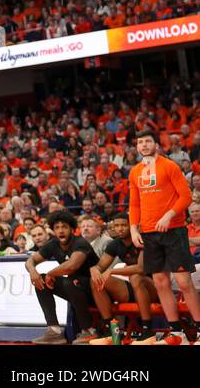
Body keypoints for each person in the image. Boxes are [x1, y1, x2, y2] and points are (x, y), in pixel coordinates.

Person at [128, 129, 199, 344]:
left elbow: (186, 196)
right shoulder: (135, 172)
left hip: (174, 231)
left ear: (156, 144)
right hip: (149, 233)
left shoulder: (169, 166)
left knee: (184, 282)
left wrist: (169, 215)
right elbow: (134, 203)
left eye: (148, 141)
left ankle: (198, 329)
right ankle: (176, 330)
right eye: (140, 142)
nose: (144, 145)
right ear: (137, 147)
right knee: (160, 282)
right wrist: (133, 229)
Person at [25, 210, 99, 344]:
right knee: (41, 281)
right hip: (74, 288)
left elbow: (72, 265)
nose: (60, 231)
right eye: (57, 227)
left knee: (69, 281)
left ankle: (89, 330)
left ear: (72, 229)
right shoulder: (53, 244)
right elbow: (30, 261)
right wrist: (33, 272)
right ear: (53, 230)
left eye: (64, 227)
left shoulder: (80, 243)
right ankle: (54, 331)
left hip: (95, 290)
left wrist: (51, 273)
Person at [89, 212, 156, 344]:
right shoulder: (115, 244)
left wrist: (112, 271)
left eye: (124, 225)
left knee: (136, 277)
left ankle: (148, 330)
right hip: (134, 287)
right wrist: (95, 270)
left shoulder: (142, 239)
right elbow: (100, 265)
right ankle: (111, 330)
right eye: (116, 226)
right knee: (95, 280)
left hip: (154, 288)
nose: (120, 229)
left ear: (132, 226)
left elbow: (141, 268)